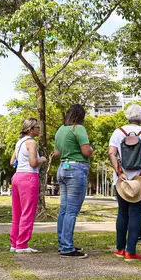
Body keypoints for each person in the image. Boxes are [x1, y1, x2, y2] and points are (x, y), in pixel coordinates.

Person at [108, 104, 141, 262]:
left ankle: (119, 248)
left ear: (127, 116)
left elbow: (112, 153)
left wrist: (119, 172)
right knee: (136, 213)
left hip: (122, 181)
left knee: (122, 213)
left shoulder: (118, 132)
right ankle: (131, 251)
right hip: (140, 181)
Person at [54, 104, 93, 258]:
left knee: (64, 209)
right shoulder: (78, 129)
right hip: (76, 169)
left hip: (62, 168)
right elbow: (85, 151)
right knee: (72, 211)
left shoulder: (60, 130)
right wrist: (91, 150)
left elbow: (57, 153)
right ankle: (67, 247)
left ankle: (62, 242)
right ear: (81, 116)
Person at [10, 118, 45, 253]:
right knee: (28, 212)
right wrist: (41, 159)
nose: (39, 129)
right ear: (31, 129)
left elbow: (12, 162)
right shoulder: (31, 142)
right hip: (29, 177)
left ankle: (14, 243)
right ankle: (22, 244)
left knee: (17, 212)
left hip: (17, 177)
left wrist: (21, 162)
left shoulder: (19, 143)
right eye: (37, 127)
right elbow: (33, 163)